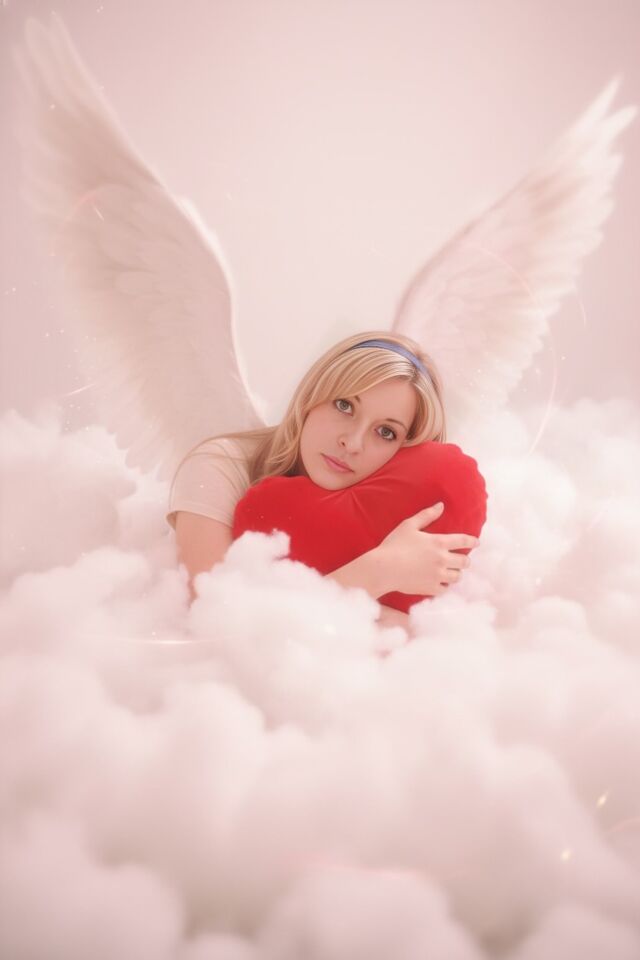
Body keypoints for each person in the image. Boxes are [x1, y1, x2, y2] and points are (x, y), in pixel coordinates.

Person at [167, 331, 479, 627]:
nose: (352, 443)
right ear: (311, 397)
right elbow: (214, 621)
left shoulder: (389, 515)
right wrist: (380, 571)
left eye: (386, 432)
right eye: (345, 406)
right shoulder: (219, 464)